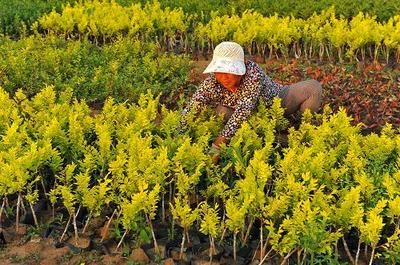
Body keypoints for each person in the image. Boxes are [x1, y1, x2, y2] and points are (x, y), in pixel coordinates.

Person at [179, 41, 322, 162]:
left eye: (230, 71)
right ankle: (274, 137)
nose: (224, 77)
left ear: (242, 67)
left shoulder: (253, 73)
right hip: (250, 119)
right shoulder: (211, 82)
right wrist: (177, 138)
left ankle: (296, 129)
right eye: (219, 71)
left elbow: (243, 110)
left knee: (313, 88)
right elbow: (192, 107)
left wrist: (216, 147)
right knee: (221, 112)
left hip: (275, 103)